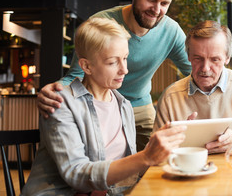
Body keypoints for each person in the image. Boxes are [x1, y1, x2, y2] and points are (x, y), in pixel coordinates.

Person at [37, 0, 232, 152]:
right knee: (100, 164)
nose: (157, 10)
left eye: (164, 3)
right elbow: (77, 75)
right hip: (99, 104)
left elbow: (198, 68)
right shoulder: (101, 24)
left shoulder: (170, 31)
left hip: (139, 107)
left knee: (154, 161)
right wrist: (54, 88)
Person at [22, 18, 186, 196]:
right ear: (86, 66)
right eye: (112, 62)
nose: (125, 70)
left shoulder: (123, 105)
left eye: (125, 58)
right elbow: (76, 174)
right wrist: (146, 157)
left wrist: (177, 142)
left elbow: (126, 177)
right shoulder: (61, 104)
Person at [153, 20, 232, 154]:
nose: (205, 68)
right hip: (189, 173)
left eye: (214, 59)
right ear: (188, 56)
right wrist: (179, 143)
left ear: (227, 58)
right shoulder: (171, 98)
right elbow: (154, 156)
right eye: (198, 58)